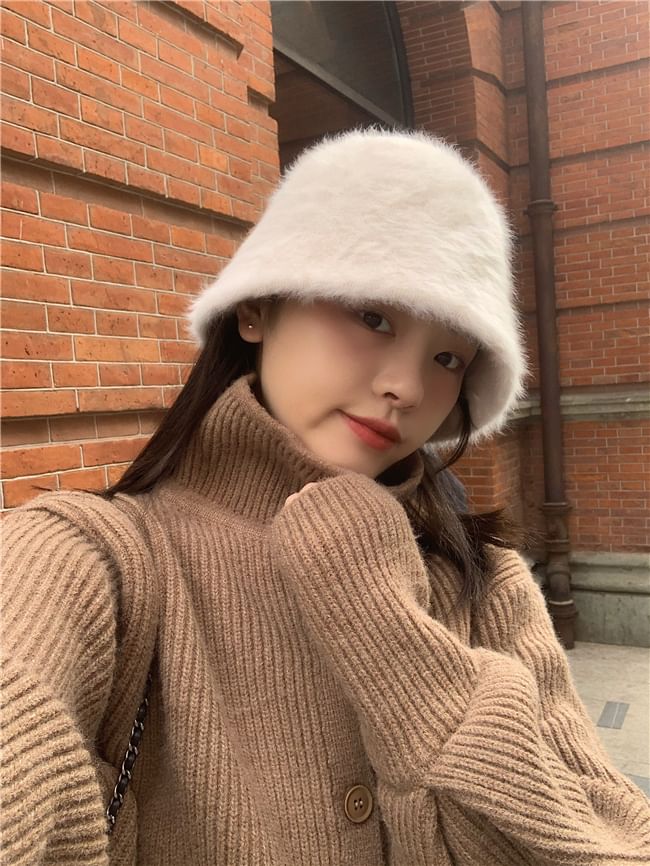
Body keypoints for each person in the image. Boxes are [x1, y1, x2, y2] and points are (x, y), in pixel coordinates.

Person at [1, 128, 648, 866]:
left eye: (447, 357)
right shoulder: (94, 562)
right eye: (372, 317)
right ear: (257, 308)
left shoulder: (485, 583)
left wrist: (391, 636)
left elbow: (611, 839)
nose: (407, 387)